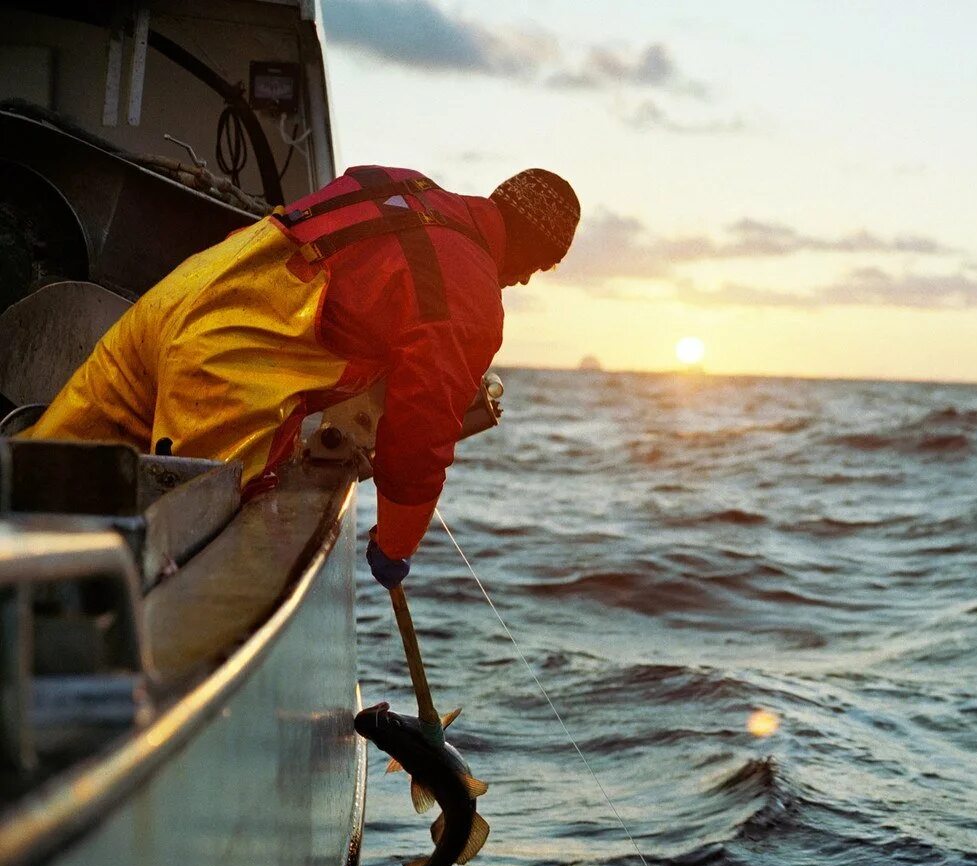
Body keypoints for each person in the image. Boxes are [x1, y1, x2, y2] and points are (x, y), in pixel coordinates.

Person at [23, 165, 578, 588]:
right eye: (538, 269)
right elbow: (420, 438)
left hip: (171, 302)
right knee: (190, 560)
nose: (525, 281)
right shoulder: (473, 296)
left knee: (32, 484)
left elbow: (334, 308)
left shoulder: (406, 185)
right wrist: (395, 544)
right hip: (223, 372)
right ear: (536, 254)